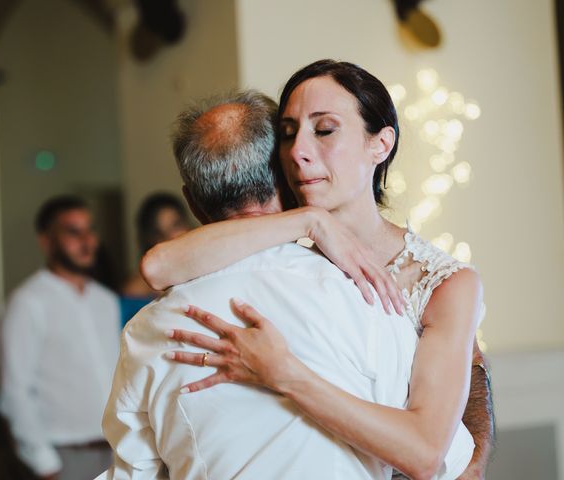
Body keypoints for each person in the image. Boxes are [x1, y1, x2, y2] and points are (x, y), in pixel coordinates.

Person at [142, 60, 494, 479]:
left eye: (324, 130)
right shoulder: (283, 249)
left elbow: (424, 453)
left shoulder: (443, 283)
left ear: (380, 144)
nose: (297, 151)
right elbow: (159, 265)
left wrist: (284, 374)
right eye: (288, 134)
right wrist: (308, 222)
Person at [0, 195, 120, 480]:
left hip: (118, 451)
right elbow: (14, 391)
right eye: (73, 231)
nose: (87, 240)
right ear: (46, 241)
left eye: (90, 230)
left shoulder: (106, 301)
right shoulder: (28, 302)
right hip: (65, 457)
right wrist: (45, 465)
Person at [120, 192, 192, 326]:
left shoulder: (202, 270)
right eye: (159, 232)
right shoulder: (134, 291)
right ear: (149, 238)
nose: (170, 236)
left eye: (175, 225)